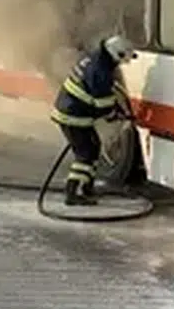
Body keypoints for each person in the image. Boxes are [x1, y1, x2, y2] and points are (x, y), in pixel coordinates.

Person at [49, 35, 137, 206]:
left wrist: (115, 109)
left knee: (94, 146)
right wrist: (115, 115)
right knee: (85, 155)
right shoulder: (101, 71)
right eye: (122, 58)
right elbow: (102, 104)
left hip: (74, 111)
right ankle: (72, 192)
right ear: (115, 54)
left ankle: (87, 187)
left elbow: (102, 96)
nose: (121, 63)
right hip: (73, 116)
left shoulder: (97, 58)